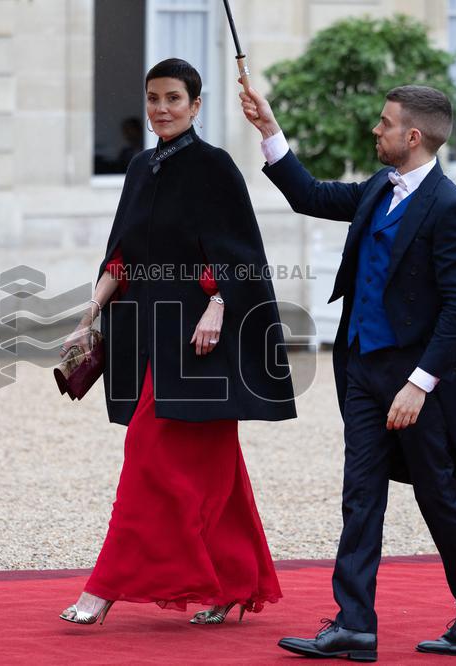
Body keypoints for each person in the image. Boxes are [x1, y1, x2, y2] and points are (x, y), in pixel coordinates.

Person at [239, 83, 456, 660]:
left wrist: (420, 383)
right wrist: (269, 130)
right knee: (360, 495)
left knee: (439, 498)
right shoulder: (379, 188)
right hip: (361, 370)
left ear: (413, 135)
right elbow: (308, 194)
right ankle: (354, 622)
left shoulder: (452, 208)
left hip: (418, 385)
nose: (374, 131)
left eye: (385, 124)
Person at [59, 58, 296, 627]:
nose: (161, 109)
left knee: (147, 455)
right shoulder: (141, 167)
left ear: (195, 105)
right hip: (146, 334)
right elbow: (123, 254)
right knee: (217, 470)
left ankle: (105, 586)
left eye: (172, 99)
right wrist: (88, 314)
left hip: (200, 343)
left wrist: (217, 306)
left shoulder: (215, 167)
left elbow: (239, 255)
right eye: (153, 99)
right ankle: (232, 582)